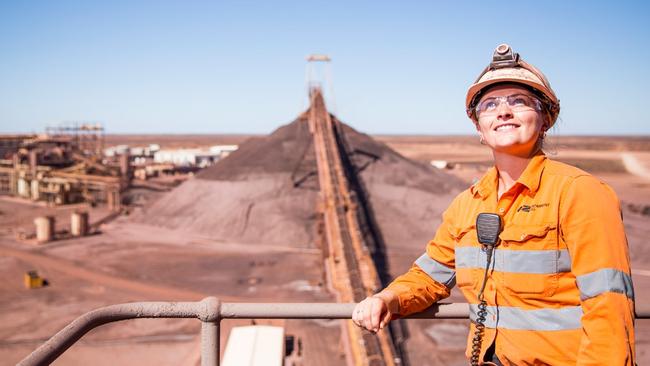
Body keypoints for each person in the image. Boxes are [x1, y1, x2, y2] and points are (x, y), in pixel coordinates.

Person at [352, 44, 635, 365]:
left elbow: (608, 306)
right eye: (490, 104)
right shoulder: (468, 204)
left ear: (545, 120)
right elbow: (431, 276)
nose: (503, 111)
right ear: (479, 129)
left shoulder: (579, 193)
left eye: (520, 101)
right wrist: (388, 298)